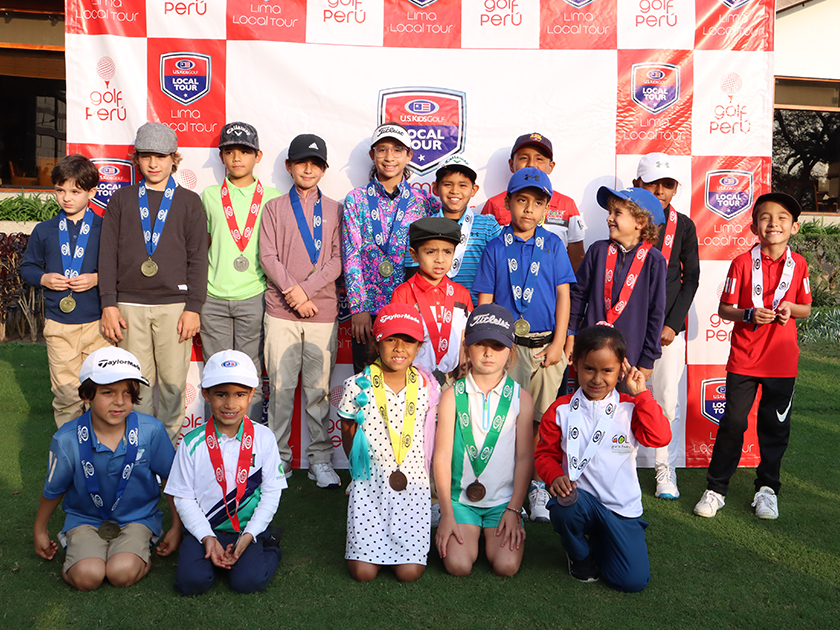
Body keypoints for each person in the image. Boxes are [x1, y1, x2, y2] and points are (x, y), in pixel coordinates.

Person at [694, 193, 811, 521]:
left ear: (794, 227)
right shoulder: (742, 263)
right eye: (765, 217)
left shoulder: (799, 264)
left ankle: (767, 489)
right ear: (753, 226)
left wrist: (790, 309)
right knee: (733, 423)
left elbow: (805, 307)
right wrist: (748, 314)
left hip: (782, 362)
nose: (774, 223)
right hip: (744, 359)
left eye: (782, 217)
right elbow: (724, 309)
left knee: (775, 427)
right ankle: (716, 489)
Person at [473, 167, 576, 523]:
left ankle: (536, 485)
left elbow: (564, 296)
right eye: (521, 200)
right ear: (507, 203)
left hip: (547, 348)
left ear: (547, 208)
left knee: (541, 422)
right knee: (504, 419)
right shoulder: (494, 247)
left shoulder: (554, 245)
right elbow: (485, 302)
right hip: (509, 348)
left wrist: (560, 343)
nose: (529, 209)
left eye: (537, 203)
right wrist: (490, 345)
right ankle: (503, 483)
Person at [33, 347, 182, 590]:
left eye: (127, 392)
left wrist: (176, 527)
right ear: (86, 395)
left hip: (138, 518)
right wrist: (40, 529)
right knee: (87, 577)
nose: (120, 401)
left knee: (120, 573)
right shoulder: (67, 439)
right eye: (108, 392)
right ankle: (82, 551)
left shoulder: (151, 431)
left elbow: (170, 479)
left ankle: (138, 549)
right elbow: (54, 489)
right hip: (85, 519)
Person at [536, 326, 671, 592]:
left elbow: (660, 437)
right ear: (575, 364)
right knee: (564, 507)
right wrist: (555, 476)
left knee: (631, 582)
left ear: (621, 369)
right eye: (589, 369)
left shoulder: (631, 407)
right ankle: (580, 555)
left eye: (607, 370)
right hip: (580, 502)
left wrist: (642, 394)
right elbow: (545, 455)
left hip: (621, 509)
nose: (597, 379)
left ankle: (601, 542)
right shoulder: (560, 409)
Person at [98, 122, 208, 444]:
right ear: (136, 159)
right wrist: (108, 304)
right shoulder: (121, 199)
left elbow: (198, 258)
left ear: (174, 158)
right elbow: (107, 254)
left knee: (173, 386)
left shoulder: (189, 201)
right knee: (137, 386)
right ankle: (140, 451)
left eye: (161, 156)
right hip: (128, 306)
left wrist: (193, 307)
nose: (153, 163)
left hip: (174, 307)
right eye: (146, 156)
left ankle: (168, 453)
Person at [165, 350, 286, 594]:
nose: (230, 404)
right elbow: (183, 497)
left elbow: (272, 492)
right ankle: (209, 548)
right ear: (206, 394)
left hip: (246, 529)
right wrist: (206, 536)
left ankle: (269, 544)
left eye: (239, 394)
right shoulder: (191, 442)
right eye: (221, 394)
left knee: (248, 582)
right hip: (204, 529)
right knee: (191, 583)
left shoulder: (264, 438)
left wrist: (250, 534)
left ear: (251, 394)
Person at [260, 133, 343, 488]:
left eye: (315, 164)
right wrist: (293, 294)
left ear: (324, 170)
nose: (308, 169)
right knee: (280, 389)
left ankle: (320, 460)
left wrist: (305, 292)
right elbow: (268, 257)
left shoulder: (336, 209)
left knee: (318, 392)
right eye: (301, 163)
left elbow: (338, 260)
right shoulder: (274, 208)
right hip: (281, 311)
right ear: (289, 166)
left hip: (321, 312)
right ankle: (278, 458)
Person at [338, 303, 440, 582]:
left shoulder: (428, 386)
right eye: (391, 339)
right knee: (363, 573)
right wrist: (358, 470)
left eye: (408, 341)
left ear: (419, 346)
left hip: (413, 487)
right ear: (377, 342)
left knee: (410, 573)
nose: (399, 348)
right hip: (370, 485)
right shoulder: (356, 385)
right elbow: (347, 428)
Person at [434, 304, 533, 577]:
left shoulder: (521, 398)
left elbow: (525, 458)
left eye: (497, 346)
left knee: (506, 566)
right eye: (480, 344)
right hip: (460, 501)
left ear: (510, 351)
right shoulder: (451, 395)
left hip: (503, 504)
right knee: (458, 565)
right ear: (467, 348)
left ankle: (497, 525)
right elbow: (441, 457)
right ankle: (460, 524)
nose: (488, 353)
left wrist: (514, 509)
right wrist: (447, 513)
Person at [20, 154, 111, 427]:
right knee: (66, 396)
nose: (66, 198)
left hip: (98, 325)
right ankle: (70, 449)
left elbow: (120, 270)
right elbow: (27, 268)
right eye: (60, 190)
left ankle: (100, 447)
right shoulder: (44, 230)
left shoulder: (106, 228)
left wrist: (96, 279)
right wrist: (44, 278)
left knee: (100, 394)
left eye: (75, 191)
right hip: (59, 325)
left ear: (92, 192)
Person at [342, 122, 439, 373]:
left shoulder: (424, 201)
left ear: (409, 156)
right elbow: (351, 254)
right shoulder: (356, 199)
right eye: (382, 149)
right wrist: (359, 308)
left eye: (397, 150)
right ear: (372, 154)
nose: (389, 157)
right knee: (365, 383)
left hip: (410, 308)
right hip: (368, 311)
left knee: (409, 381)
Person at [200, 122, 281, 422]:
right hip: (213, 297)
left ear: (258, 156)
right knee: (216, 375)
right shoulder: (209, 195)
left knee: (250, 374)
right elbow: (202, 246)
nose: (237, 158)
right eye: (230, 151)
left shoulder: (272, 197)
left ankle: (251, 440)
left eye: (245, 151)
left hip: (254, 295)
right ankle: (215, 442)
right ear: (221, 156)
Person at [632, 153, 700, 500]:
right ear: (637, 184)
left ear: (676, 189)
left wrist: (673, 324)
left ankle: (664, 468)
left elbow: (691, 279)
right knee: (626, 397)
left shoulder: (684, 226)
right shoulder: (627, 222)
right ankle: (622, 466)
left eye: (667, 184)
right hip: (630, 328)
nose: (660, 190)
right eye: (652, 183)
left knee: (666, 398)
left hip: (667, 332)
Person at [566, 186, 667, 383]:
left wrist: (648, 359)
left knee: (625, 402)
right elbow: (578, 295)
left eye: (617, 213)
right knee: (587, 399)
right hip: (590, 353)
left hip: (630, 360)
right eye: (610, 212)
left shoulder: (654, 261)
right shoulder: (597, 251)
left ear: (640, 222)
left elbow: (656, 313)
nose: (609, 218)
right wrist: (571, 336)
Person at [481, 132, 586, 271]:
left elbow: (576, 260)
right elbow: (483, 255)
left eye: (539, 159)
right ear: (511, 164)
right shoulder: (494, 204)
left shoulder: (567, 205)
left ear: (551, 166)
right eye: (524, 158)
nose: (531, 164)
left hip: (552, 284)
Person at [404, 155, 502, 304]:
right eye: (447, 184)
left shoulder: (488, 226)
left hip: (478, 307)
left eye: (463, 185)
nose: (455, 191)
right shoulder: (423, 227)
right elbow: (413, 273)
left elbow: (500, 270)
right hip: (433, 308)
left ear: (474, 189)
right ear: (435, 188)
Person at [391, 216, 473, 384]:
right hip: (413, 380)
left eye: (447, 252)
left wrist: (464, 372)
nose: (440, 259)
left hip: (451, 379)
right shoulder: (403, 294)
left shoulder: (462, 294)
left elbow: (465, 337)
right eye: (431, 252)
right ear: (414, 255)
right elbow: (397, 342)